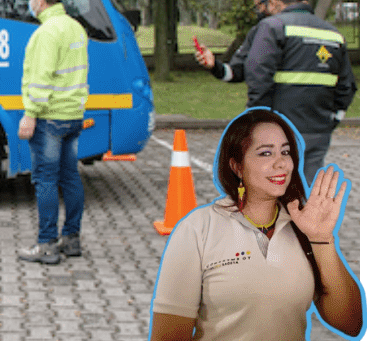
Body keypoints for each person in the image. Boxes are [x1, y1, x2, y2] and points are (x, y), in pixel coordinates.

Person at [150, 108, 363, 340]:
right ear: (237, 167)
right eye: (265, 154)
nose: (281, 163)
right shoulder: (197, 229)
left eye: (285, 151)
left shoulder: (303, 228)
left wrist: (322, 238)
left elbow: (351, 324)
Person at [243, 0, 356, 185]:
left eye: (261, 4)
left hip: (279, 127)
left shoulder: (273, 27)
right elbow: (347, 86)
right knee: (308, 185)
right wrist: (334, 118)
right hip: (318, 127)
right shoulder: (334, 34)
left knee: (273, 185)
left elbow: (258, 74)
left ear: (274, 2)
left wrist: (256, 117)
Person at [16, 0, 89, 265]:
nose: (30, 1)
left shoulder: (46, 33)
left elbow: (42, 79)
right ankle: (71, 240)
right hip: (73, 116)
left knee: (45, 179)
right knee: (70, 177)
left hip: (49, 118)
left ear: (41, 0)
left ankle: (46, 244)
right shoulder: (75, 28)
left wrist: (30, 114)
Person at [194, 0, 309, 83]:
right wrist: (215, 66)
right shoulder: (259, 33)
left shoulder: (319, 32)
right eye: (257, 8)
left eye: (260, 6)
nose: (260, 12)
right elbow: (237, 71)